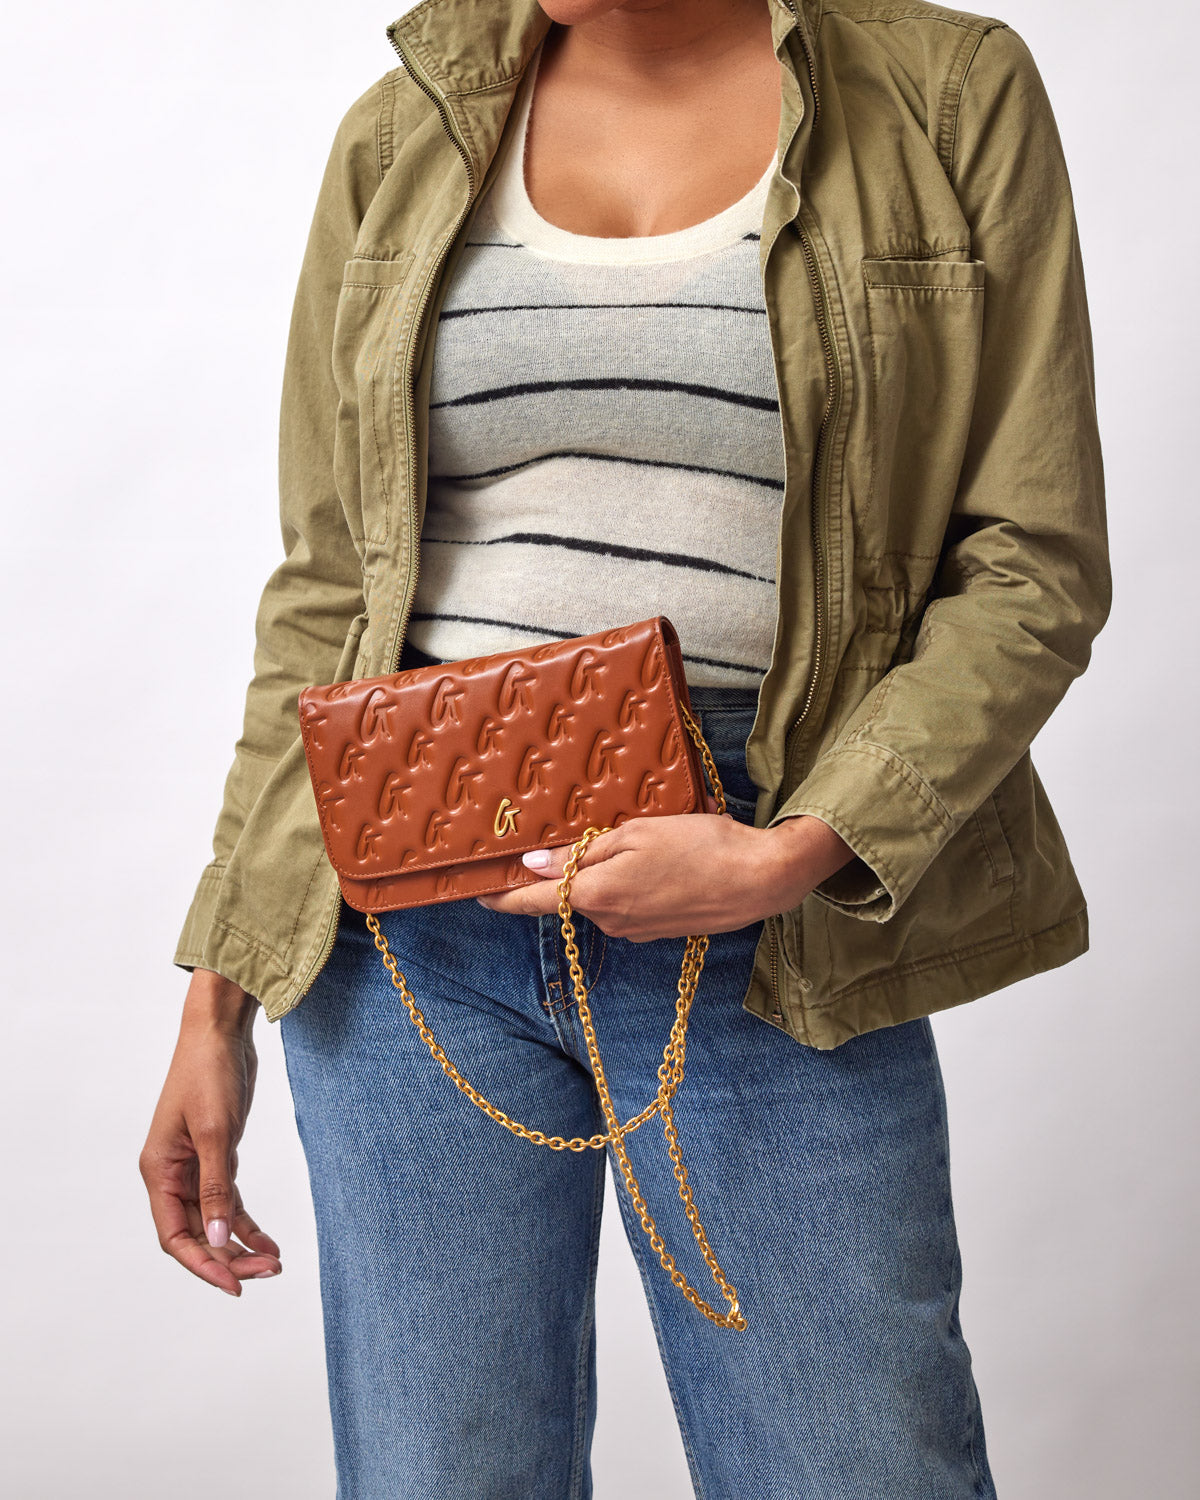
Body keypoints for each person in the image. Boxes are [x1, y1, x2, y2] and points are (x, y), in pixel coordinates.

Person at [140, 0, 1110, 1494]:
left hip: (763, 893)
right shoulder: (407, 131)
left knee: (856, 1464)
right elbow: (331, 592)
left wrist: (788, 853)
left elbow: (1031, 563)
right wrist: (217, 1002)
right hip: (404, 918)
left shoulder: (945, 94)